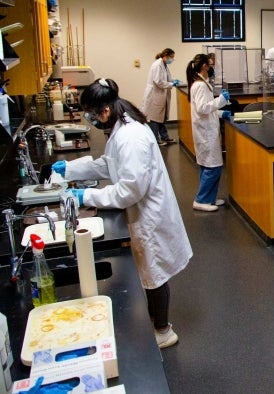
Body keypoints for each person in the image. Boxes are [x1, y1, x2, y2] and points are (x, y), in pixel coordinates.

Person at [51, 78, 192, 349]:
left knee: (154, 273)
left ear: (104, 110)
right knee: (151, 272)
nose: (91, 120)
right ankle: (157, 323)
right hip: (143, 210)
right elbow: (109, 164)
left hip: (149, 213)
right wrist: (70, 170)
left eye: (92, 114)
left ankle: (163, 331)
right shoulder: (120, 126)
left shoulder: (130, 136)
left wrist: (86, 196)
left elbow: (129, 190)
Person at [186, 53, 231, 212]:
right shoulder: (199, 85)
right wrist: (221, 101)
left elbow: (205, 108)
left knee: (207, 166)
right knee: (213, 167)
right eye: (210, 65)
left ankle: (209, 199)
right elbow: (202, 108)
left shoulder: (201, 83)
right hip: (205, 132)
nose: (212, 68)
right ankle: (201, 200)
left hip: (206, 129)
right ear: (204, 66)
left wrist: (220, 113)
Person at [142, 48, 179, 146]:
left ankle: (165, 137)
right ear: (166, 55)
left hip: (161, 94)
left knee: (161, 118)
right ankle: (156, 139)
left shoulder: (164, 65)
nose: (172, 59)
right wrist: (171, 84)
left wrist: (173, 81)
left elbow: (166, 78)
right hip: (155, 94)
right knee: (154, 119)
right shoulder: (157, 65)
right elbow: (158, 81)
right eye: (171, 57)